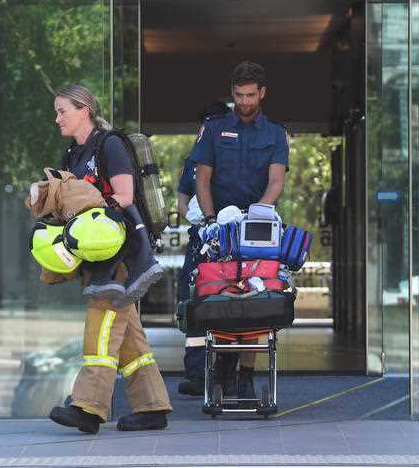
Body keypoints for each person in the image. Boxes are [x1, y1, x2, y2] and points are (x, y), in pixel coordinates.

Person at [47, 84, 172, 434]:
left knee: (100, 329)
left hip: (121, 255)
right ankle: (152, 406)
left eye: (62, 111)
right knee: (130, 338)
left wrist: (90, 216)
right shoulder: (73, 154)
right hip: (96, 256)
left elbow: (124, 195)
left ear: (84, 110)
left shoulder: (110, 145)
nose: (57, 119)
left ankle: (88, 407)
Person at [190, 61, 289, 400]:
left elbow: (276, 181)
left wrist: (257, 215)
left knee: (257, 300)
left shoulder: (275, 133)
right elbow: (202, 179)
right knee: (219, 294)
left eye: (250, 95)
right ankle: (222, 366)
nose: (244, 101)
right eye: (239, 95)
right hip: (219, 226)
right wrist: (210, 220)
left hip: (257, 225)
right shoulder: (215, 130)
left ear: (262, 93)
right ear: (232, 93)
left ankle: (245, 375)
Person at [175, 100, 232, 397]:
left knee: (231, 302)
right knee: (192, 301)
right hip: (201, 239)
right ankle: (197, 374)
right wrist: (194, 217)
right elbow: (182, 200)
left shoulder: (236, 157)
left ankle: (226, 374)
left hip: (231, 240)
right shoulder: (194, 160)